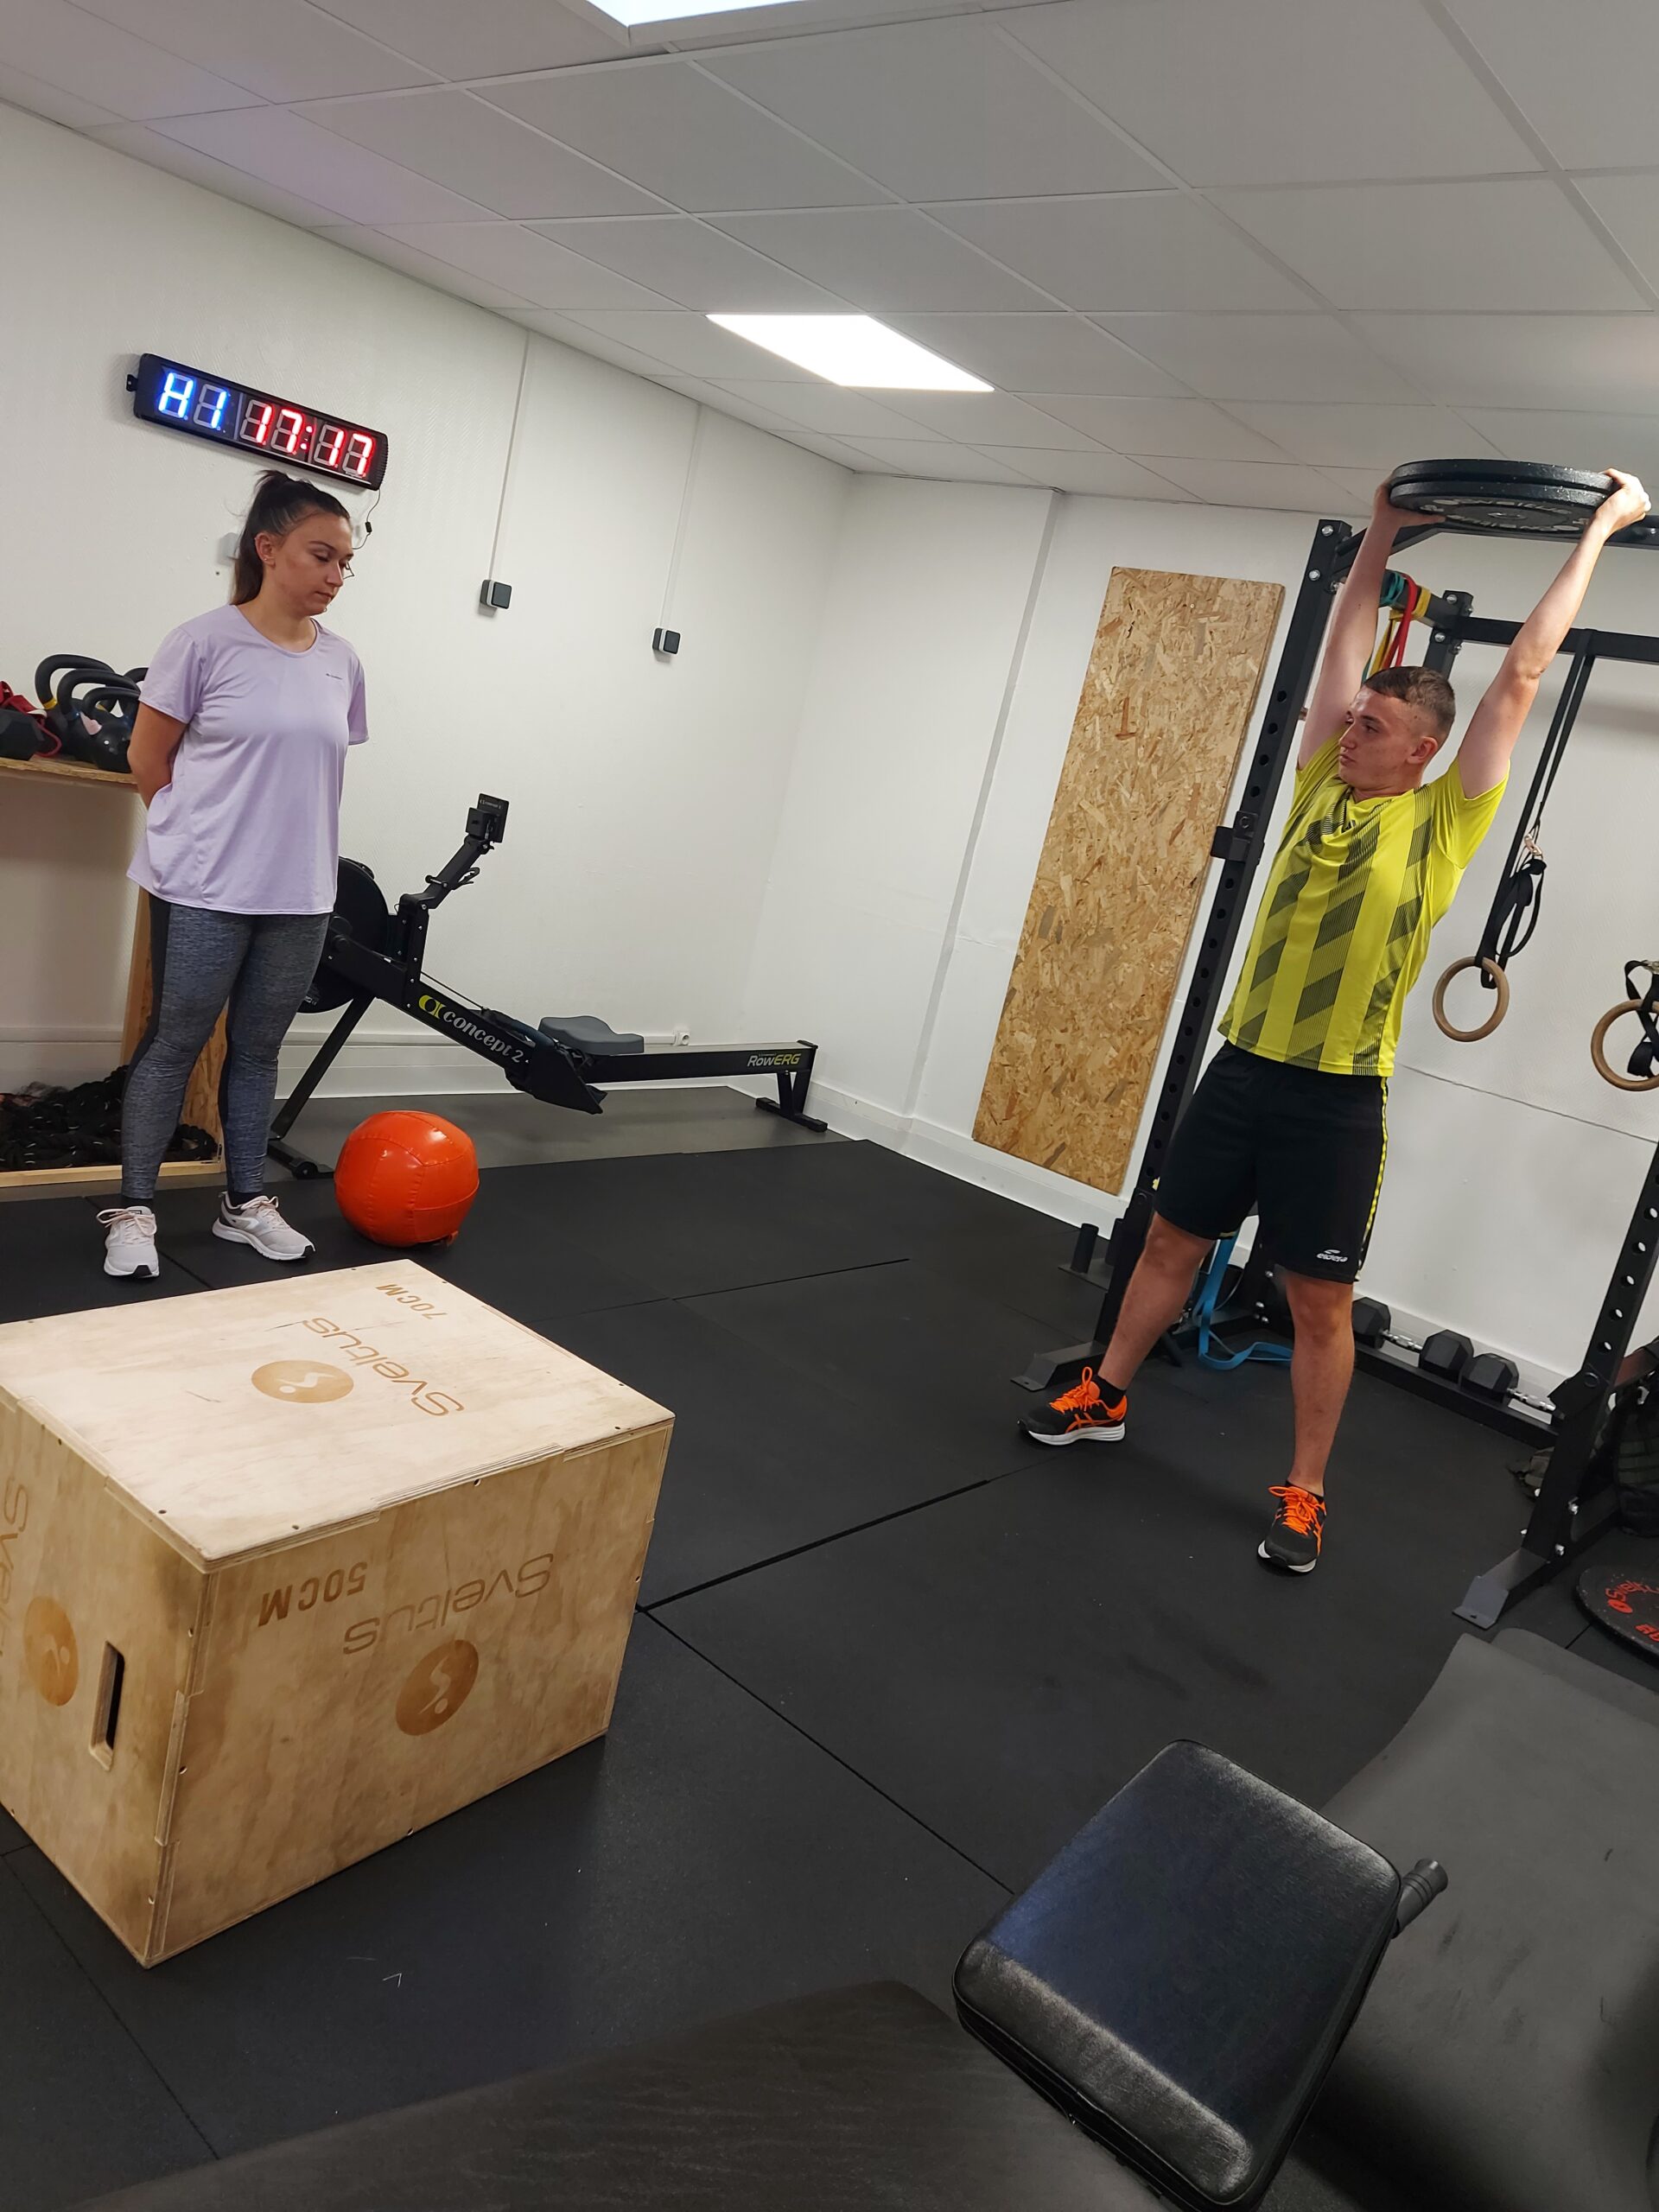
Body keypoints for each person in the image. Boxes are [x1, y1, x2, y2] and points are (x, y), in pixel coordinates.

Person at [1020, 467, 1653, 1574]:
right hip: (1241, 1069)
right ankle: (1106, 1394)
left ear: (1422, 750)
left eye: (1374, 727)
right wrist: (1380, 534)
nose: (1352, 730)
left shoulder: (1446, 821)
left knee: (1318, 1302)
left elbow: (1521, 674)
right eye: (1353, 719)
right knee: (1170, 1240)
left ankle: (1306, 1492)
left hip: (1336, 1098)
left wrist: (1603, 526)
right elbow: (1340, 649)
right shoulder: (1320, 784)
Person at [99, 471, 367, 1281]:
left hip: (301, 892)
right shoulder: (201, 642)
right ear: (268, 548)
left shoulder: (343, 662)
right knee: (175, 1042)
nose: (335, 575)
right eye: (321, 555)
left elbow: (308, 772)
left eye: (346, 562)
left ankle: (244, 1203)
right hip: (204, 886)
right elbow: (148, 758)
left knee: (257, 1050)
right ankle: (134, 1210)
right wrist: (193, 838)